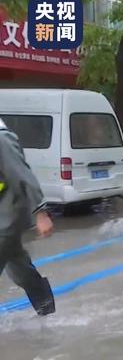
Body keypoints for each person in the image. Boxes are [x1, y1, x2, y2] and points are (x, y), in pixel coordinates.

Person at [0, 118, 55, 316]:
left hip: (7, 219)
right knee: (20, 271)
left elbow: (23, 175)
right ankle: (46, 310)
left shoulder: (2, 139)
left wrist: (40, 212)